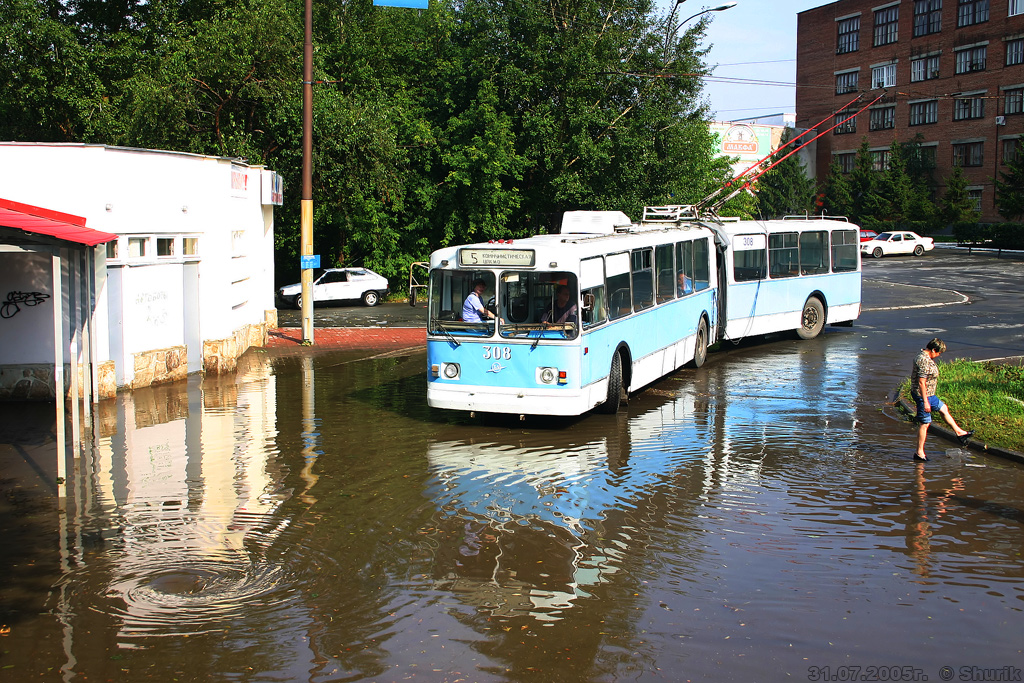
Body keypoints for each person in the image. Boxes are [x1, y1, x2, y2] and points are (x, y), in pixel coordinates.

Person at [911, 337, 973, 461]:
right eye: (939, 353)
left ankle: (960, 433)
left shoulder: (924, 356)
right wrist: (926, 402)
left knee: (943, 408)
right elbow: (922, 382)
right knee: (925, 424)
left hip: (930, 395)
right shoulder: (924, 360)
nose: (939, 355)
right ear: (933, 350)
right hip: (924, 396)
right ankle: (919, 453)